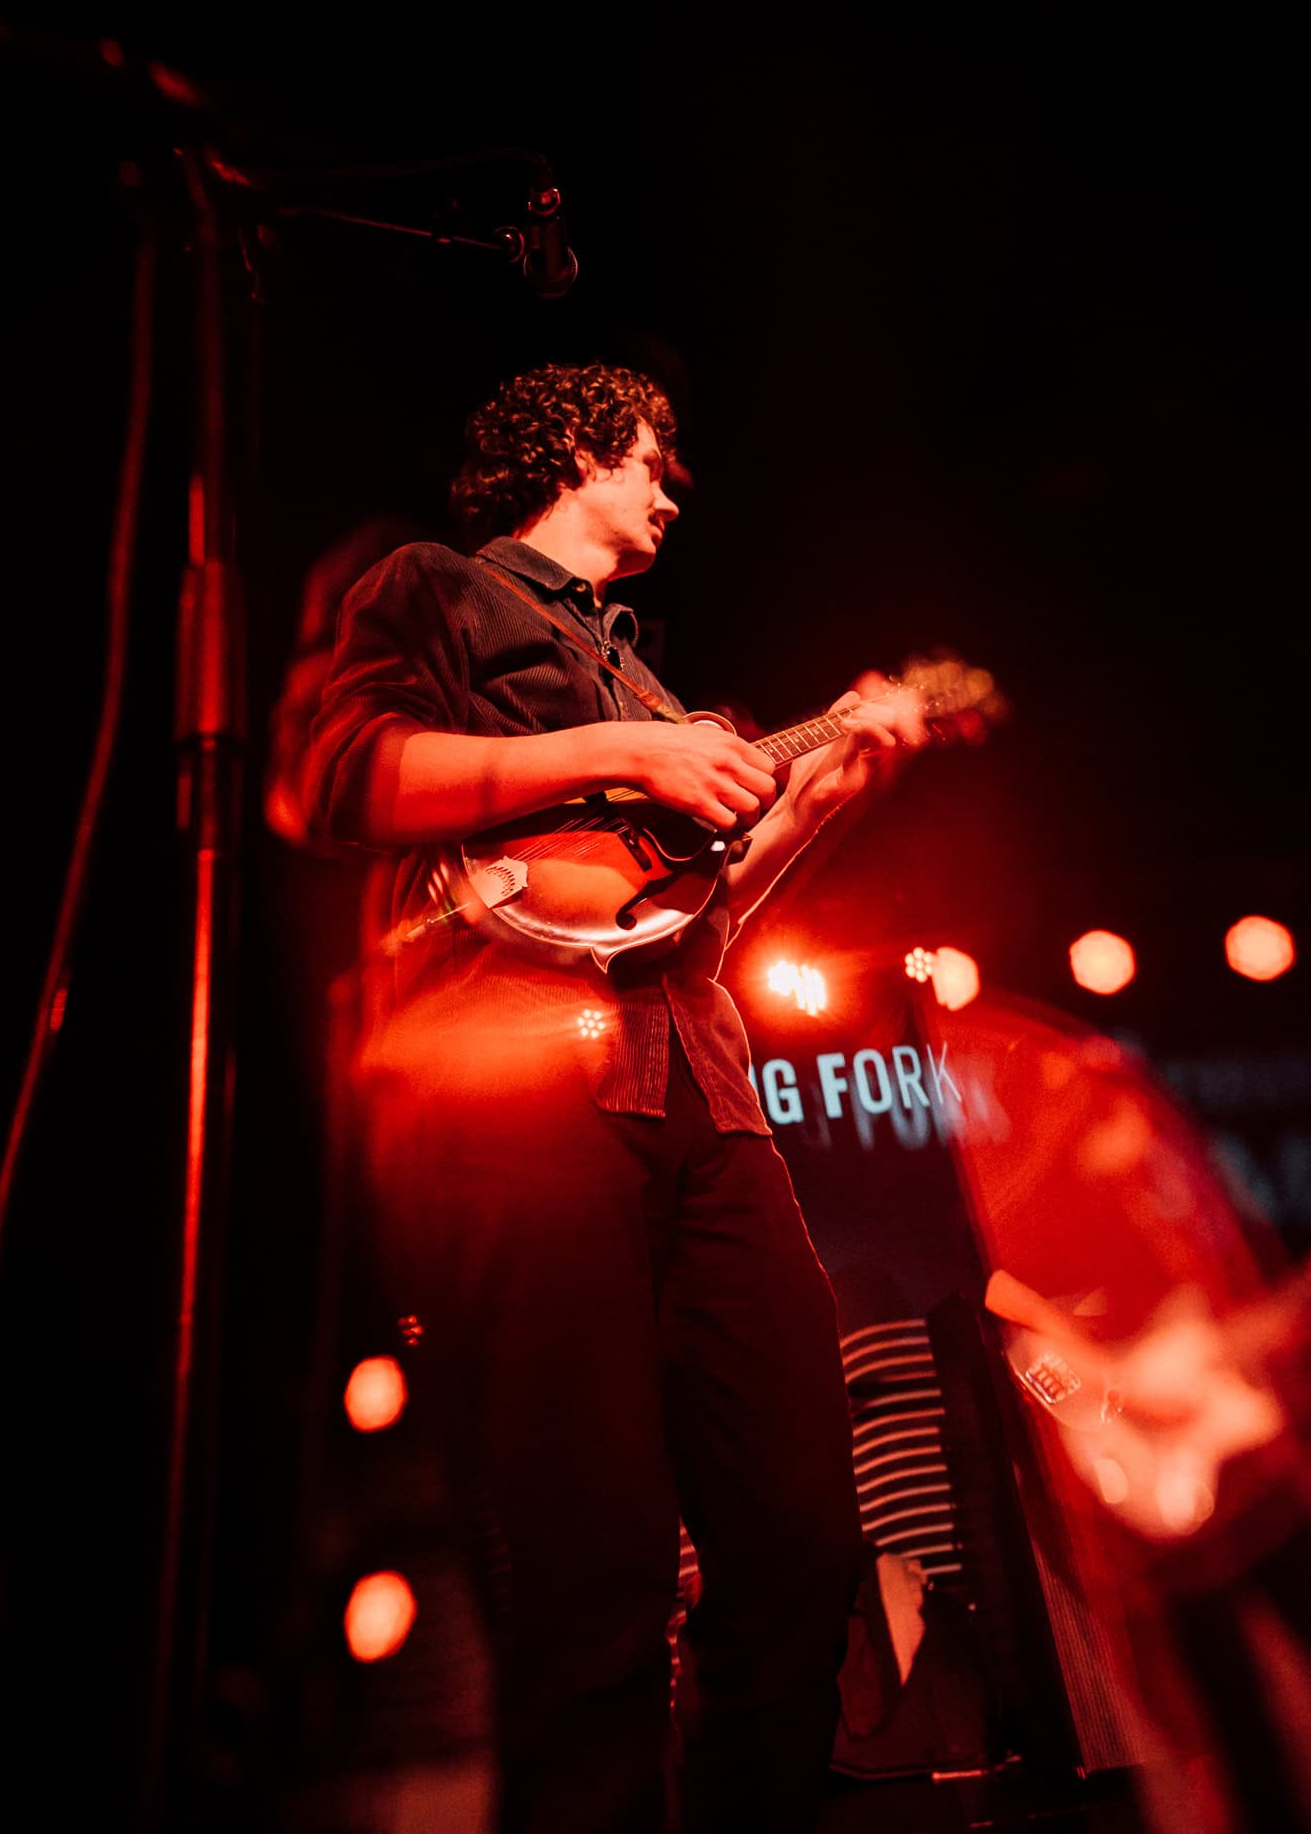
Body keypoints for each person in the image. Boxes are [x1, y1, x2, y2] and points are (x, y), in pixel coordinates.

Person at [305, 362, 926, 1833]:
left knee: (803, 1536)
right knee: (596, 1574)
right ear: (576, 451)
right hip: (519, 1093)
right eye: (651, 458)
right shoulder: (440, 586)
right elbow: (341, 778)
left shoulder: (647, 673)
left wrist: (820, 803)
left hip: (707, 1096)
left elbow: (689, 916)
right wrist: (623, 749)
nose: (670, 489)